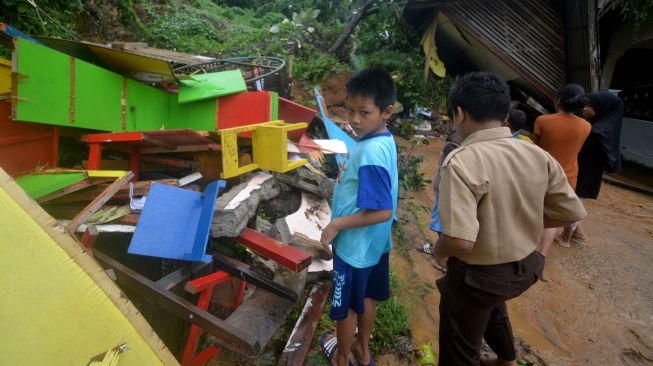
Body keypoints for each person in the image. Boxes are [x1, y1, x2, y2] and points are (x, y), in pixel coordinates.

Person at [431, 72, 586, 366]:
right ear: (505, 115)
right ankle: (506, 360)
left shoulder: (462, 160)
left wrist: (439, 253)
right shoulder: (535, 153)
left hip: (480, 277)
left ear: (459, 114)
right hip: (528, 267)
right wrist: (522, 220)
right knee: (493, 305)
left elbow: (460, 241)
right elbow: (570, 212)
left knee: (460, 342)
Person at [319, 67, 398, 366]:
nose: (353, 120)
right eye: (351, 110)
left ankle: (341, 357)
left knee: (347, 308)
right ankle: (362, 352)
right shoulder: (384, 141)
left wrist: (337, 223)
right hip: (375, 246)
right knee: (366, 298)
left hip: (354, 248)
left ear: (386, 111)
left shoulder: (369, 154)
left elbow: (382, 210)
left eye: (363, 113)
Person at [533, 84, 591, 249]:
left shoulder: (543, 121)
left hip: (542, 175)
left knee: (531, 213)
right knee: (553, 220)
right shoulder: (586, 126)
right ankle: (543, 255)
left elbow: (536, 149)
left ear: (557, 100)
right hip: (568, 177)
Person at [571, 91, 624, 241]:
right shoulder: (604, 129)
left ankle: (574, 233)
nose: (585, 109)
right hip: (585, 175)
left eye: (590, 106)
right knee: (576, 200)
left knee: (574, 201)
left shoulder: (597, 133)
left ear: (601, 108)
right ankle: (577, 232)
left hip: (584, 175)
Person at [417, 123, 463, 272]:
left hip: (446, 193)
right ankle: (439, 250)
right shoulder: (461, 139)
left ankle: (443, 260)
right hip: (448, 192)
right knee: (444, 225)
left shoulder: (453, 144)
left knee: (441, 225)